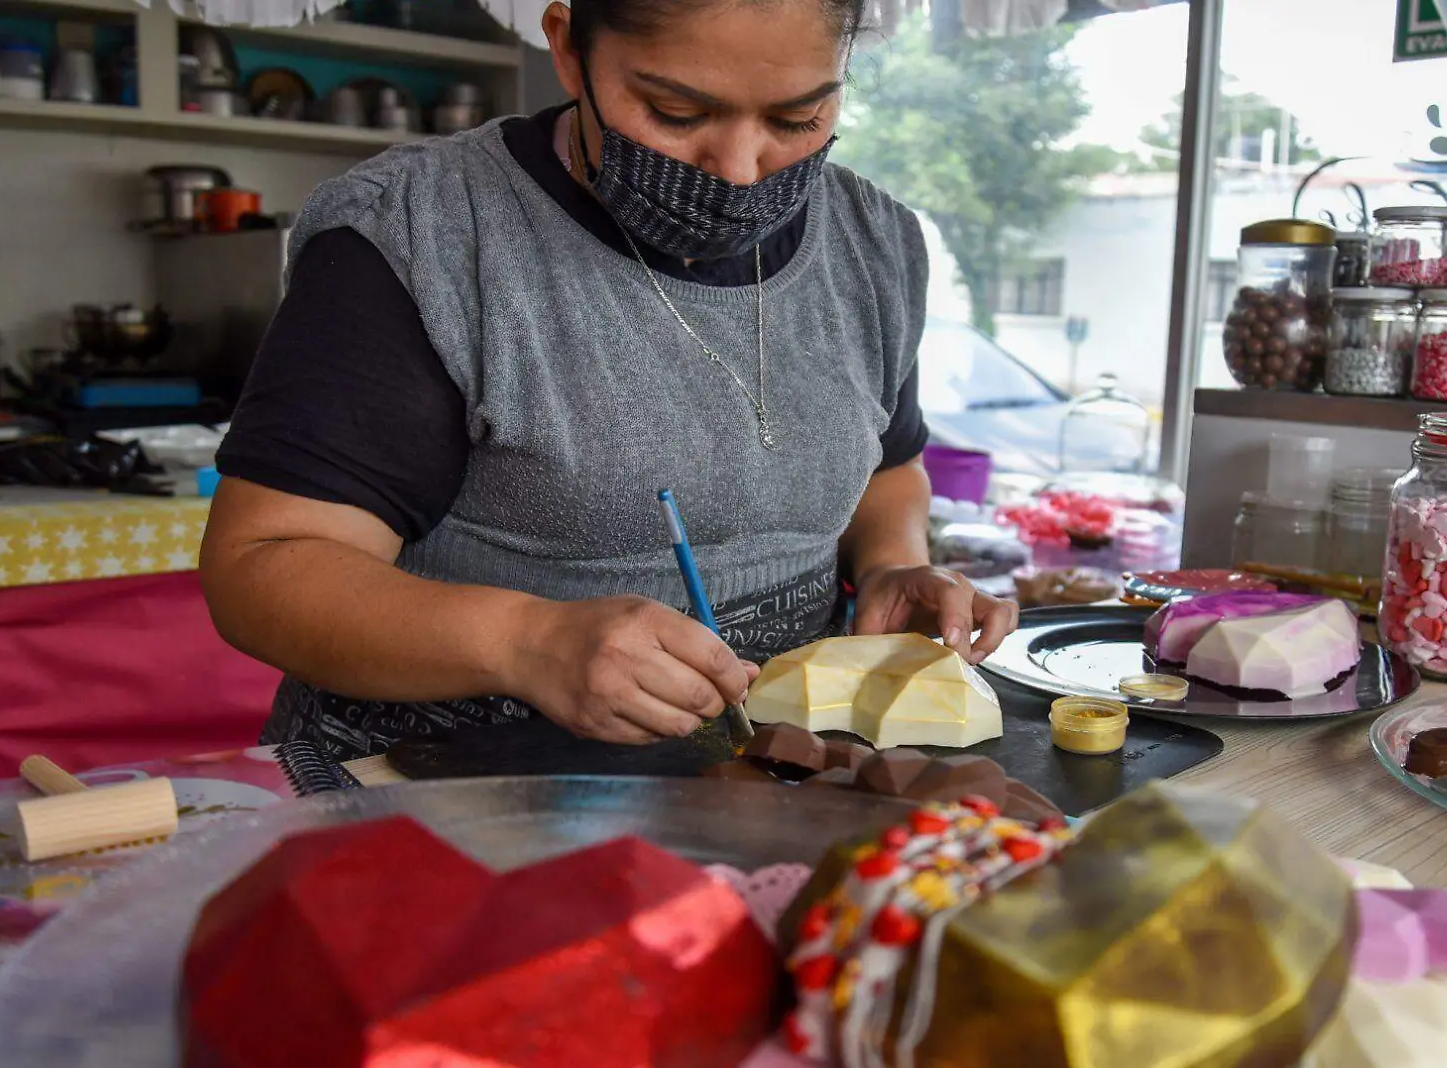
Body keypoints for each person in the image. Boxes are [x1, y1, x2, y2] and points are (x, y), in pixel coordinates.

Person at [199, 0, 1019, 761]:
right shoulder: (424, 233)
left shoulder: (872, 242)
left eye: (797, 117)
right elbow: (264, 565)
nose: (739, 169)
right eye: (676, 112)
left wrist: (892, 566)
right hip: (439, 789)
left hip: (763, 781)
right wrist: (526, 641)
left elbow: (883, 464)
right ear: (567, 47)